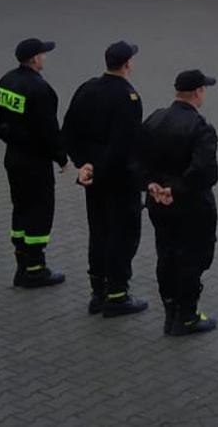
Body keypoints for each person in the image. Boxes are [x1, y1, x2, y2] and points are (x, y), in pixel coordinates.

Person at [61, 40, 147, 316]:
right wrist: (100, 169)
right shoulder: (128, 98)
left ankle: (97, 292)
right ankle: (118, 295)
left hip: (93, 180)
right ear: (127, 64)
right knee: (123, 234)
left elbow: (69, 131)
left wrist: (82, 165)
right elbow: (124, 145)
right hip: (119, 181)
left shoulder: (87, 89)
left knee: (98, 232)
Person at [134, 69, 218, 336]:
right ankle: (187, 316)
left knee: (166, 254)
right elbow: (205, 171)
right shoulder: (201, 127)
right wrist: (175, 189)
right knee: (192, 258)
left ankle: (170, 309)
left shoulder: (155, 119)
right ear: (198, 92)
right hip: (191, 207)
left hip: (158, 204)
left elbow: (137, 157)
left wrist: (150, 185)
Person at [0, 37, 67, 289]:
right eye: (43, 54)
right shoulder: (39, 88)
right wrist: (61, 157)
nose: (44, 57)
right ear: (35, 58)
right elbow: (48, 129)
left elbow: (2, 124)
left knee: (21, 208)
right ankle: (35, 270)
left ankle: (22, 264)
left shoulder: (6, 81)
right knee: (39, 211)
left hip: (13, 157)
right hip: (35, 162)